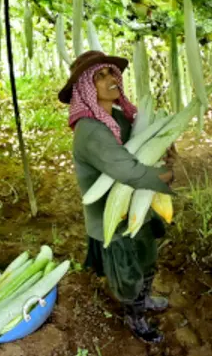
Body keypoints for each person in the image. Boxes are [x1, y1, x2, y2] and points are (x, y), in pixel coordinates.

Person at [59, 50, 176, 344]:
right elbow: (127, 170)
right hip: (111, 216)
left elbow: (145, 146)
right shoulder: (90, 131)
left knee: (147, 258)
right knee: (127, 273)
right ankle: (134, 316)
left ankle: (145, 299)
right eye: (100, 76)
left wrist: (164, 148)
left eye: (112, 72)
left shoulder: (122, 116)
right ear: (84, 88)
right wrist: (163, 176)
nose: (111, 79)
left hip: (138, 206)